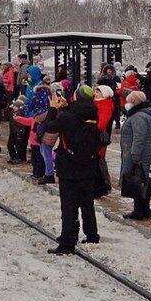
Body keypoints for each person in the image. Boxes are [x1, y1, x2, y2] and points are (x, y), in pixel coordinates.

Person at [46, 87, 102, 254]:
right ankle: (92, 235)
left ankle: (67, 242)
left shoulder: (67, 117)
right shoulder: (93, 114)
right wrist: (65, 108)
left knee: (69, 206)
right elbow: (76, 118)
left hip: (69, 166)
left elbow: (50, 126)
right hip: (88, 165)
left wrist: (54, 109)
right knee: (87, 201)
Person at [119, 91, 151, 220]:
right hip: (142, 154)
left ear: (135, 102)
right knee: (142, 179)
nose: (127, 104)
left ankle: (138, 210)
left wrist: (134, 156)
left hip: (136, 154)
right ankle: (145, 208)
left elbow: (139, 138)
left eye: (129, 101)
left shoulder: (138, 116)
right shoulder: (142, 115)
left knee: (136, 180)